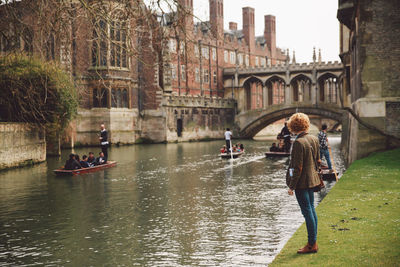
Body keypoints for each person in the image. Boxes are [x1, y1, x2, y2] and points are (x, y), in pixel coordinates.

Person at [286, 113, 321, 254]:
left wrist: (291, 186)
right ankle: (313, 242)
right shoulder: (314, 138)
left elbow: (297, 167)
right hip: (312, 179)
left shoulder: (298, 143)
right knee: (311, 209)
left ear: (292, 126)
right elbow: (318, 160)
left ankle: (312, 244)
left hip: (301, 182)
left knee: (307, 211)